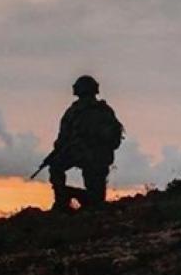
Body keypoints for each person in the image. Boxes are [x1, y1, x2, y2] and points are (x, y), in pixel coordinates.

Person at [44, 75, 124, 211]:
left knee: (55, 167)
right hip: (101, 158)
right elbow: (115, 138)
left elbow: (61, 140)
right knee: (96, 201)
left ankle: (63, 200)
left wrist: (58, 152)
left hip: (80, 154)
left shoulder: (73, 112)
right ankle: (72, 199)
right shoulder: (105, 110)